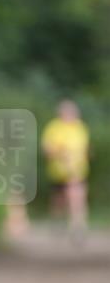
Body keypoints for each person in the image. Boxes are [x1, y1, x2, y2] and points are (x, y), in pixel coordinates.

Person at [41, 101, 90, 238]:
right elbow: (47, 149)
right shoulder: (54, 128)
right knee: (59, 201)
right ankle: (58, 224)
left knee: (77, 196)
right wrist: (61, 154)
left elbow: (84, 147)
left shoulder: (80, 127)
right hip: (58, 172)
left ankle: (78, 226)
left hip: (77, 171)